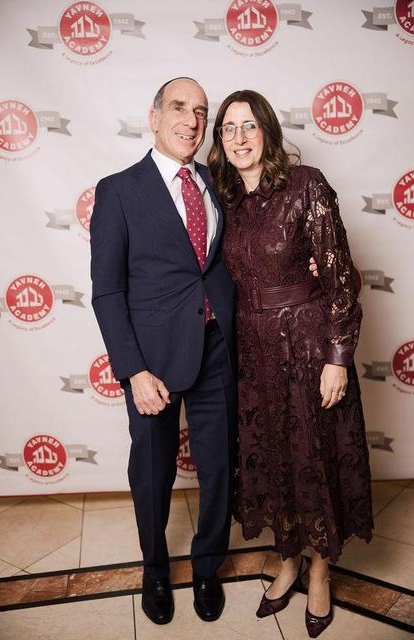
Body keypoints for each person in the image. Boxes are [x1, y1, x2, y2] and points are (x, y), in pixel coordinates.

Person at [208, 90, 373, 638]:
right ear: (220, 140)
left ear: (268, 132)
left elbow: (341, 279)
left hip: (307, 350)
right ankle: (288, 559)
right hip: (253, 356)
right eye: (228, 128)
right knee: (275, 460)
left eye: (249, 126)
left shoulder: (306, 185)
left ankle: (320, 569)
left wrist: (338, 358)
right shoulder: (223, 199)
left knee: (313, 460)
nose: (239, 138)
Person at [90, 77, 238, 625]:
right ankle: (155, 569)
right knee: (152, 473)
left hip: (217, 345)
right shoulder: (119, 190)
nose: (192, 121)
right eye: (179, 107)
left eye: (201, 112)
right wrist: (133, 371)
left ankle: (207, 567)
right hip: (152, 360)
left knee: (219, 467)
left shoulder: (218, 182)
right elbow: (107, 291)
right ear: (154, 117)